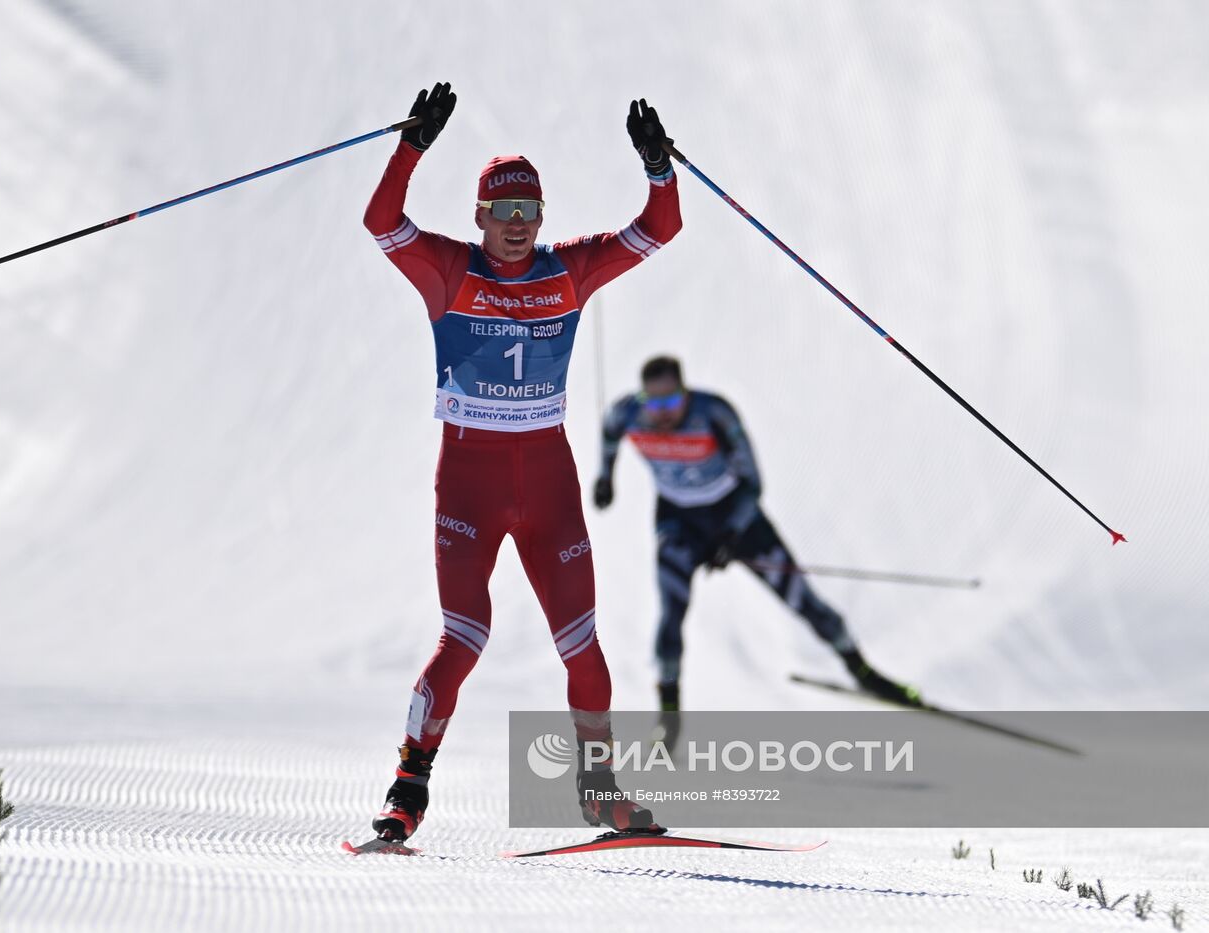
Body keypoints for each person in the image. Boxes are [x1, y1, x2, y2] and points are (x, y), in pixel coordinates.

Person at [361, 83, 683, 843]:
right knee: (463, 636)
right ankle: (407, 790)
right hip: (469, 486)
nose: (514, 225)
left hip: (548, 487)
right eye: (501, 211)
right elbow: (382, 222)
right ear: (479, 216)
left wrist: (658, 166)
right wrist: (411, 147)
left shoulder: (567, 272)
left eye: (527, 211)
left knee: (583, 645)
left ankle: (600, 793)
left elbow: (660, 227)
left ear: (542, 216)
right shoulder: (448, 271)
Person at [595, 355, 920, 748]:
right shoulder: (627, 413)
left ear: (686, 392)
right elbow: (610, 433)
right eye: (653, 404)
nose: (661, 414)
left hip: (736, 515)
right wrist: (605, 478)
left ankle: (864, 672)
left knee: (803, 600)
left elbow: (752, 483)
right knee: (670, 617)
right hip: (678, 520)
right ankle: (669, 715)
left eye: (670, 403)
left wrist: (731, 536)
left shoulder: (713, 412)